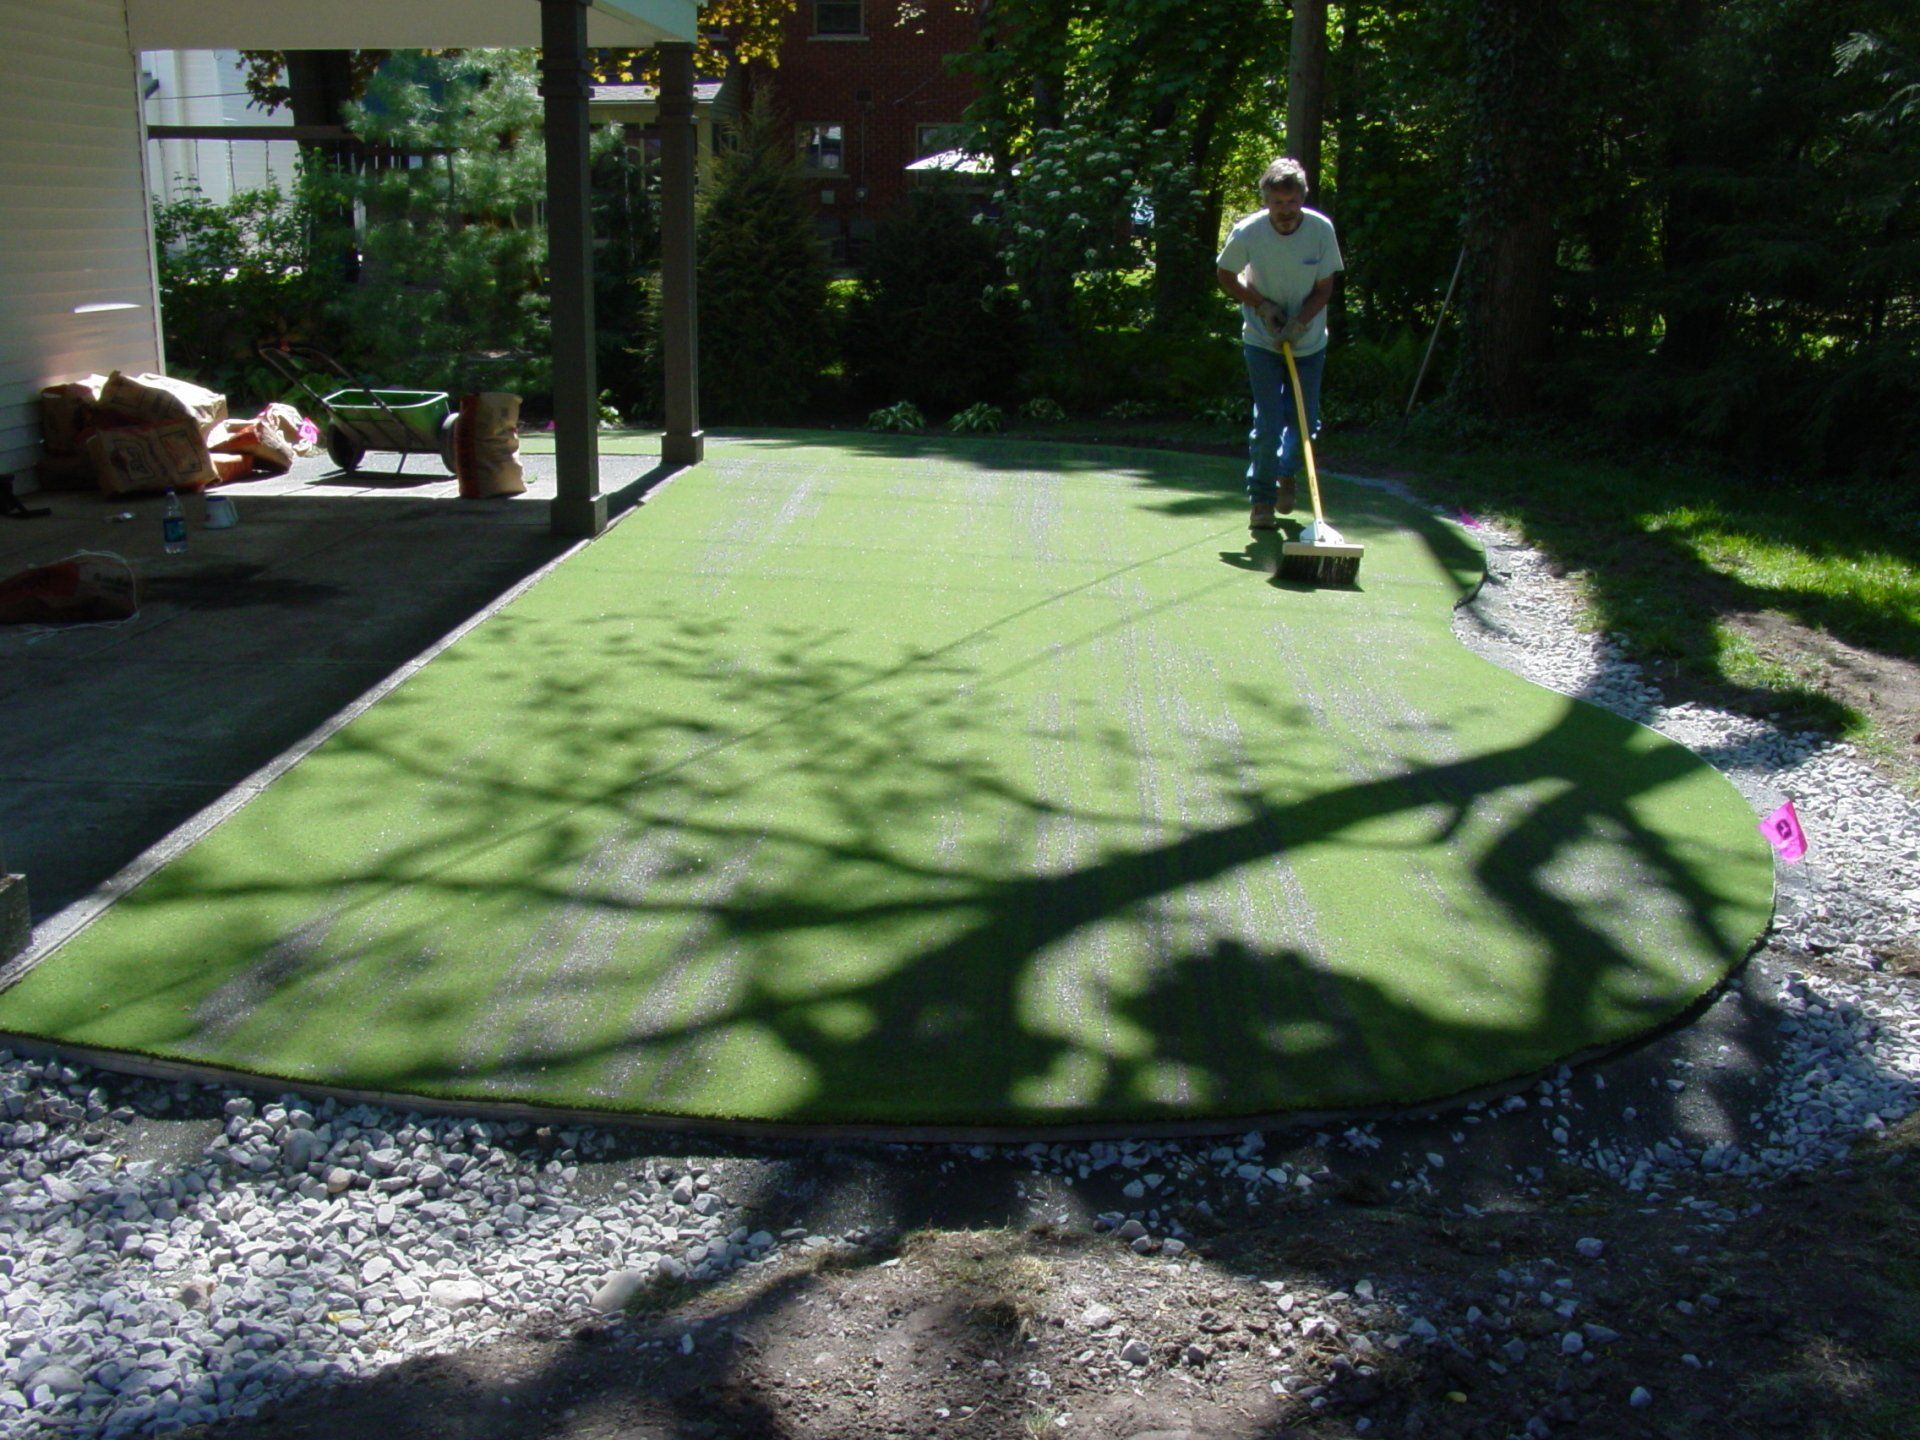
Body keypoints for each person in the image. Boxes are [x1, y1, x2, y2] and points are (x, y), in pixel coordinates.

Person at [1215, 158, 1344, 531]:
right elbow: (1225, 275)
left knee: (1304, 421)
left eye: (1291, 203)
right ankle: (1261, 501)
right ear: (1267, 201)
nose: (1285, 211)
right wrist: (1263, 306)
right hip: (1261, 338)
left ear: (1301, 198)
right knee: (1268, 421)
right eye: (1277, 203)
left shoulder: (1320, 230)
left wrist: (1300, 322)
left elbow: (1324, 289)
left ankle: (1286, 473)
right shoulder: (1248, 232)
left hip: (1309, 341)